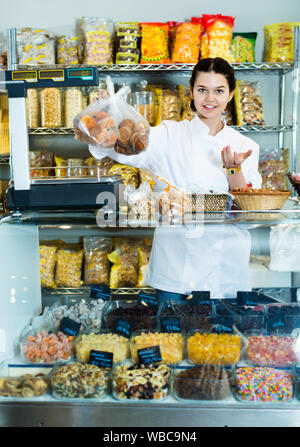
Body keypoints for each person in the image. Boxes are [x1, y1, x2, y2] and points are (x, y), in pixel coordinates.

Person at [89, 57, 262, 302]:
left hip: (224, 269)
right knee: (171, 338)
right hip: (175, 266)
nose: (210, 99)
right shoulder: (167, 135)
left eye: (219, 91)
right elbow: (119, 147)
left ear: (231, 94)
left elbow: (249, 214)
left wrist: (234, 170)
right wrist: (104, 114)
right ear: (191, 91)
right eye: (202, 90)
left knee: (222, 340)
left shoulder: (246, 146)